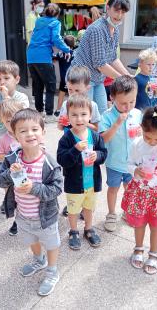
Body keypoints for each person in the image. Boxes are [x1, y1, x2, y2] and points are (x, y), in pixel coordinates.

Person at [0, 109, 63, 296]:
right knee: (31, 239)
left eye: (34, 129)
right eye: (23, 131)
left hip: (45, 217)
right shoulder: (12, 159)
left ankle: (52, 271)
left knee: (51, 243)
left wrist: (33, 188)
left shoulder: (49, 163)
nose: (30, 134)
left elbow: (56, 189)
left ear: (43, 132)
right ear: (15, 135)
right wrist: (10, 173)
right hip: (23, 215)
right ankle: (38, 260)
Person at [121, 104, 157, 274]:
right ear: (141, 129)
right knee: (138, 223)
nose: (152, 141)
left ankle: (153, 254)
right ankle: (138, 249)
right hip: (140, 190)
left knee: (156, 225)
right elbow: (129, 164)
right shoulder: (137, 143)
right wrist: (135, 171)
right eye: (148, 137)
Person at [57, 95, 107, 250]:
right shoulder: (66, 138)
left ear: (90, 116)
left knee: (88, 208)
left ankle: (88, 228)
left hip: (91, 183)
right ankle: (73, 231)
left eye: (83, 114)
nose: (79, 118)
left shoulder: (95, 136)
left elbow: (104, 153)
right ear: (68, 117)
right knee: (73, 209)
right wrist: (74, 150)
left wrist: (97, 156)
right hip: (74, 184)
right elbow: (61, 159)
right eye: (74, 114)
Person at [70, 0, 131, 114]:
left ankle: (100, 133)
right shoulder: (97, 29)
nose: (119, 15)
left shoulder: (115, 29)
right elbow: (100, 64)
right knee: (85, 113)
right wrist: (122, 79)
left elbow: (113, 58)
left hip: (97, 79)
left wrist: (128, 75)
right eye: (116, 10)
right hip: (82, 78)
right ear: (107, 8)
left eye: (123, 12)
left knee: (102, 113)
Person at [99, 75, 143, 232]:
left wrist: (142, 132)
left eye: (132, 101)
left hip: (132, 164)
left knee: (130, 188)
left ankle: (127, 210)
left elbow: (144, 138)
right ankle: (111, 214)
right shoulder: (107, 116)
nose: (128, 106)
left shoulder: (137, 114)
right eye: (123, 103)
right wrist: (117, 123)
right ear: (112, 98)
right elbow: (103, 139)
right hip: (114, 163)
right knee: (113, 189)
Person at [27, 3, 71, 123]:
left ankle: (39, 113)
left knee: (38, 85)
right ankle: (50, 115)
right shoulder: (55, 22)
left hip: (31, 56)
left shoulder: (39, 20)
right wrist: (67, 49)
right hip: (43, 57)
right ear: (57, 14)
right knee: (51, 85)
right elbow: (56, 39)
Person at [0, 100, 24, 235]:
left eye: (14, 119)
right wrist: (9, 157)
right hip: (11, 175)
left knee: (28, 198)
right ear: (2, 121)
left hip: (28, 173)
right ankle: (17, 221)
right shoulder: (3, 139)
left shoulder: (26, 133)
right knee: (16, 199)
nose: (11, 124)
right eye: (8, 121)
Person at [57, 66, 101, 132]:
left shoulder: (92, 105)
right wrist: (61, 123)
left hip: (86, 141)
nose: (73, 93)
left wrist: (85, 123)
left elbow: (96, 128)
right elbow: (60, 128)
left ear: (87, 88)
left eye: (77, 90)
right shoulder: (65, 104)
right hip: (69, 141)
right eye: (70, 89)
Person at [54, 35, 76, 117]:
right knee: (73, 94)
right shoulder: (74, 53)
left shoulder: (61, 53)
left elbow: (54, 59)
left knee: (62, 93)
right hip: (73, 77)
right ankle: (72, 110)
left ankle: (58, 110)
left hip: (64, 77)